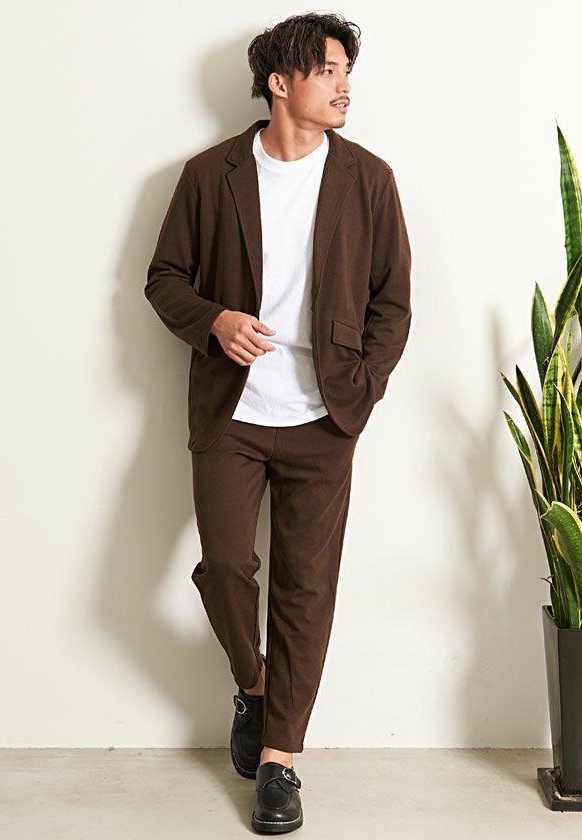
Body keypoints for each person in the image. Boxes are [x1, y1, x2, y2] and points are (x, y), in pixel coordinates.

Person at [144, 11, 411, 834]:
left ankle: (279, 762)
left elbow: (393, 304)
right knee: (227, 567)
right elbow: (164, 278)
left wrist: (361, 392)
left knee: (306, 591)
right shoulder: (211, 174)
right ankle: (256, 687)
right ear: (279, 82)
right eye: (329, 71)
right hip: (233, 412)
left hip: (325, 418)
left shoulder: (368, 179)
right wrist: (215, 321)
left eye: (347, 72)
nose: (345, 86)